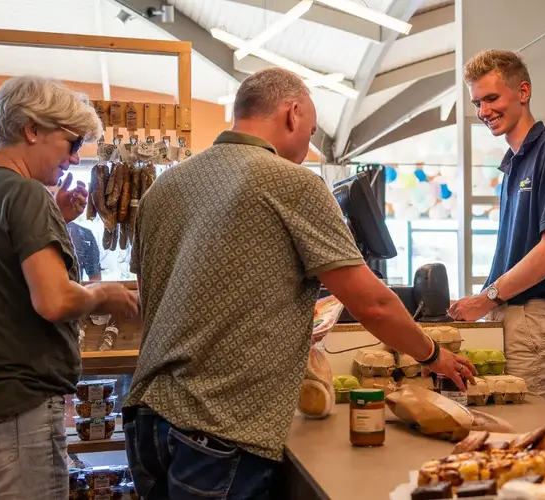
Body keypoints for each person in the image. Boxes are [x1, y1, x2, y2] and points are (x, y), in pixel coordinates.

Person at [123, 67, 476, 499]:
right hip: (218, 427)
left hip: (146, 422)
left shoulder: (165, 187)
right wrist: (432, 353)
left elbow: (153, 299)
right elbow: (372, 305)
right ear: (292, 114)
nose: (307, 149)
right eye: (309, 133)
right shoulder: (291, 182)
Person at [0, 75, 139, 499]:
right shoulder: (25, 195)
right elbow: (54, 301)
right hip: (7, 414)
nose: (74, 160)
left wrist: (55, 222)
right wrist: (102, 294)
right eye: (72, 144)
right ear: (31, 130)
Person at [448, 50, 545, 404]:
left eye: (492, 98)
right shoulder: (513, 163)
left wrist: (488, 297)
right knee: (502, 436)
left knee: (528, 434)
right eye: (477, 102)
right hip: (508, 314)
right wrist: (481, 302)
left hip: (533, 319)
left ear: (523, 92)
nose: (484, 111)